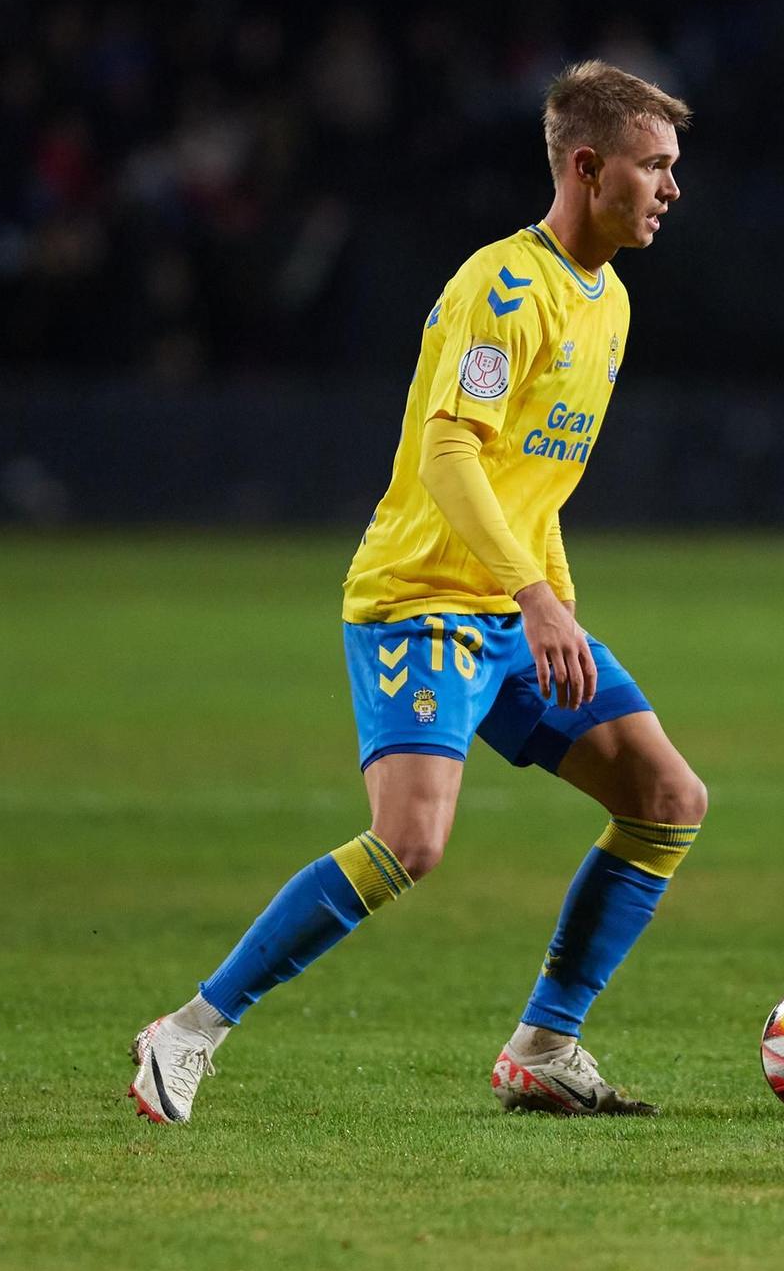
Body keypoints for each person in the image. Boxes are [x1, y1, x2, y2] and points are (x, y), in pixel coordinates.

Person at [128, 61, 702, 1121]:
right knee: (412, 842)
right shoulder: (505, 288)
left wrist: (551, 601)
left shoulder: (608, 302)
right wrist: (533, 595)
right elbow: (449, 449)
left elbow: (537, 480)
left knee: (666, 801)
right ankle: (186, 1030)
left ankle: (544, 1044)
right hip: (424, 598)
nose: (671, 187)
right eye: (653, 166)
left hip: (517, 610)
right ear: (587, 167)